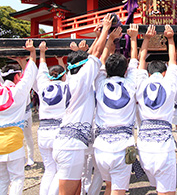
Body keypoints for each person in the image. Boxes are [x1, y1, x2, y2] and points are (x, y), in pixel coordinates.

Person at [52, 13, 113, 195]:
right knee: (67, 192)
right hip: (71, 145)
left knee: (75, 189)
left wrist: (98, 37)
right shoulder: (81, 80)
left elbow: (89, 57)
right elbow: (95, 55)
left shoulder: (71, 77)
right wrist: (106, 29)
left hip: (67, 141)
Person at [93, 24, 139, 195]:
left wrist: (107, 39)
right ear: (126, 71)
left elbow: (99, 61)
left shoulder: (99, 82)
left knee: (110, 187)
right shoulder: (131, 83)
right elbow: (134, 60)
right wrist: (133, 38)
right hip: (123, 147)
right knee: (118, 190)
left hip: (101, 147)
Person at [136, 24, 177, 195]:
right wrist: (171, 39)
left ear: (147, 72)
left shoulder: (140, 82)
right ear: (164, 72)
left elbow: (140, 61)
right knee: (166, 190)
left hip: (144, 144)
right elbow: (174, 61)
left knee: (156, 185)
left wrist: (145, 39)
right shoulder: (169, 83)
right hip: (164, 144)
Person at [0, 40, 38, 195]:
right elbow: (29, 75)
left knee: (2, 180)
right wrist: (32, 53)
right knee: (17, 178)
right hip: (14, 141)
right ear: (17, 76)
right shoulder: (18, 93)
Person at [35, 41, 71, 195]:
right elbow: (71, 74)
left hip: (43, 132)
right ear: (63, 76)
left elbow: (42, 70)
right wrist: (63, 60)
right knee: (61, 170)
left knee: (49, 169)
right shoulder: (67, 86)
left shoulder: (42, 85)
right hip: (59, 132)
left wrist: (41, 52)